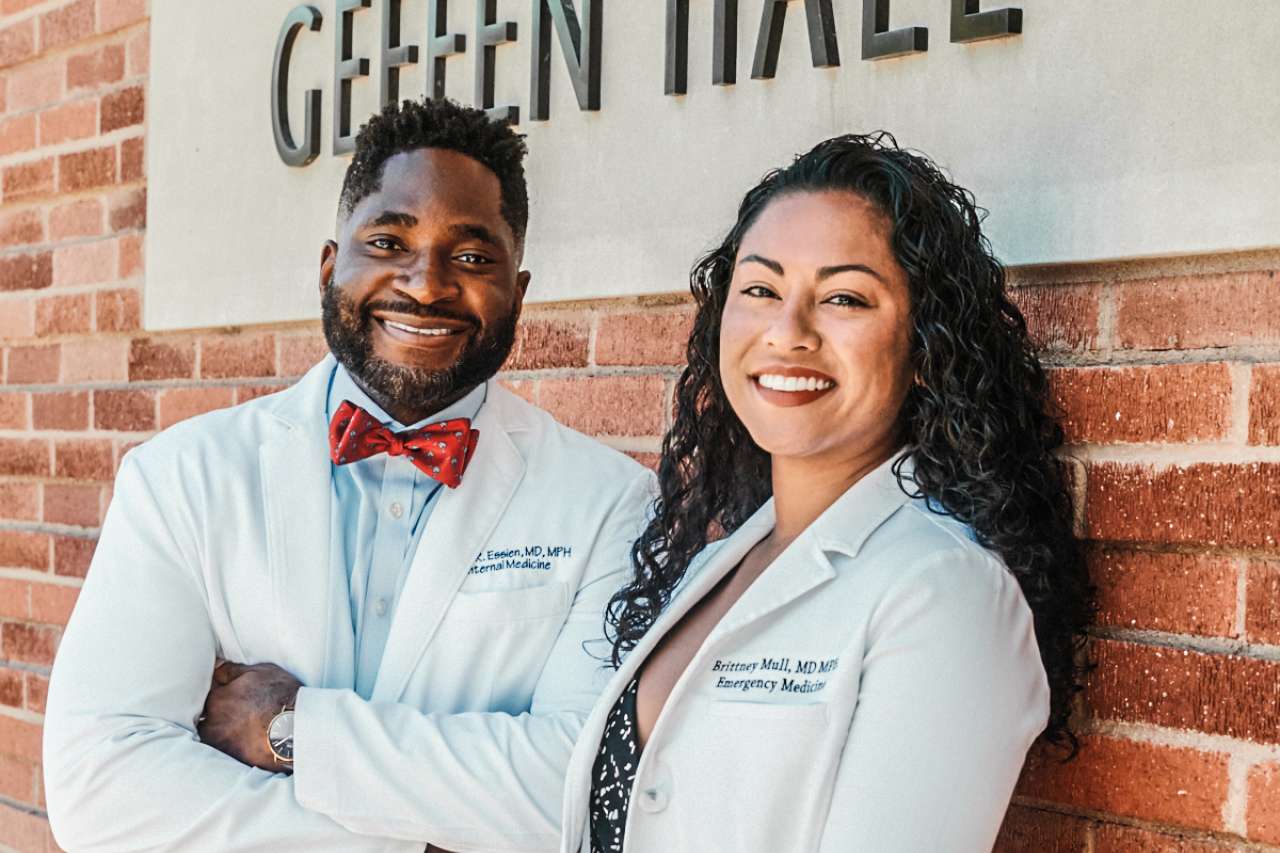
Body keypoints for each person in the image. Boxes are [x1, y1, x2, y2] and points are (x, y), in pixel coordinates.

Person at [43, 97, 653, 852]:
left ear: (517, 293)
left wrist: (297, 733)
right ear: (332, 267)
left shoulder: (611, 503)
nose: (426, 285)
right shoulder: (181, 479)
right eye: (390, 241)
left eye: (471, 257)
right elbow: (99, 783)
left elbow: (575, 787)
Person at [559, 133, 1094, 852]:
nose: (788, 332)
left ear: (925, 348)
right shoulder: (718, 563)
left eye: (844, 297)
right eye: (761, 289)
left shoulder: (947, 594)